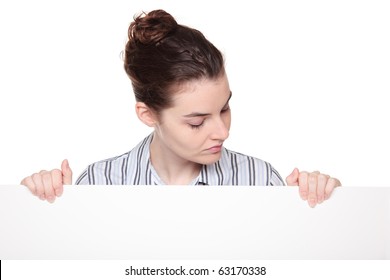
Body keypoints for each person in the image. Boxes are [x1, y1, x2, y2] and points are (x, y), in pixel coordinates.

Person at [20, 9, 341, 207]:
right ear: (148, 115)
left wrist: (330, 205)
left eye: (225, 109)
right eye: (197, 122)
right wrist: (31, 205)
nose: (223, 131)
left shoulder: (261, 180)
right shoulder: (98, 183)